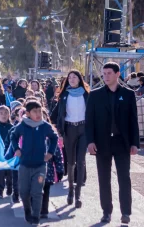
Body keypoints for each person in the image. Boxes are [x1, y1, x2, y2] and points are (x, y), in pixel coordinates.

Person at [86, 62, 139, 224]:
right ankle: (106, 211)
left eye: (109, 73)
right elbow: (89, 121)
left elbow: (133, 121)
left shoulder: (128, 95)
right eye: (104, 73)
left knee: (124, 178)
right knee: (104, 178)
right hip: (102, 143)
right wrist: (90, 141)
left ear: (117, 74)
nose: (106, 76)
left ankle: (126, 213)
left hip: (122, 143)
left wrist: (134, 143)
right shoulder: (95, 95)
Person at [10, 100, 58, 225]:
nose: (38, 114)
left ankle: (36, 217)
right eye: (35, 111)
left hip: (40, 166)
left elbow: (54, 137)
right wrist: (16, 149)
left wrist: (50, 153)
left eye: (40, 111)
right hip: (25, 165)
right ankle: (27, 209)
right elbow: (13, 136)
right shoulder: (23, 125)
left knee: (37, 192)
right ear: (28, 113)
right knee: (24, 191)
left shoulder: (44, 126)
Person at [51, 70, 90, 208]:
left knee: (81, 161)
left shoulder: (87, 94)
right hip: (69, 129)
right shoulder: (64, 95)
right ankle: (70, 192)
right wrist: (59, 130)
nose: (72, 79)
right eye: (70, 77)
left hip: (83, 129)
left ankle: (78, 194)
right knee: (71, 162)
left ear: (80, 79)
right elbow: (54, 114)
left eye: (75, 77)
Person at [0, 106, 13, 199]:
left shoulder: (12, 128)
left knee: (10, 174)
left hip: (10, 155)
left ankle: (10, 187)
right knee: (0, 174)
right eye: (1, 113)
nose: (3, 115)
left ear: (9, 115)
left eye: (6, 113)